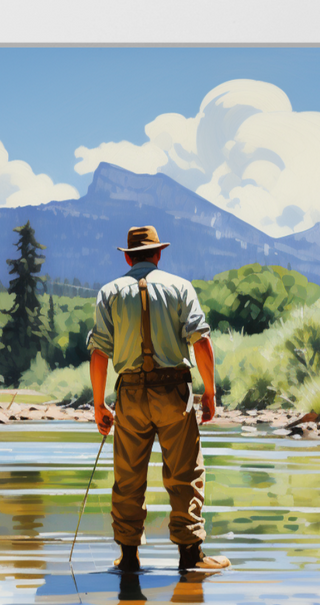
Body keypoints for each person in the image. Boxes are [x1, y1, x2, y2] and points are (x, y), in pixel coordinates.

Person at [87, 226, 231, 574]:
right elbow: (201, 342)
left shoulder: (109, 292)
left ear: (126, 256)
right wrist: (209, 393)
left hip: (130, 394)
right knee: (185, 474)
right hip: (173, 391)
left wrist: (99, 404)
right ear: (158, 254)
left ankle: (129, 557)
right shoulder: (180, 287)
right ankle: (190, 556)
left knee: (128, 477)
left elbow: (98, 353)